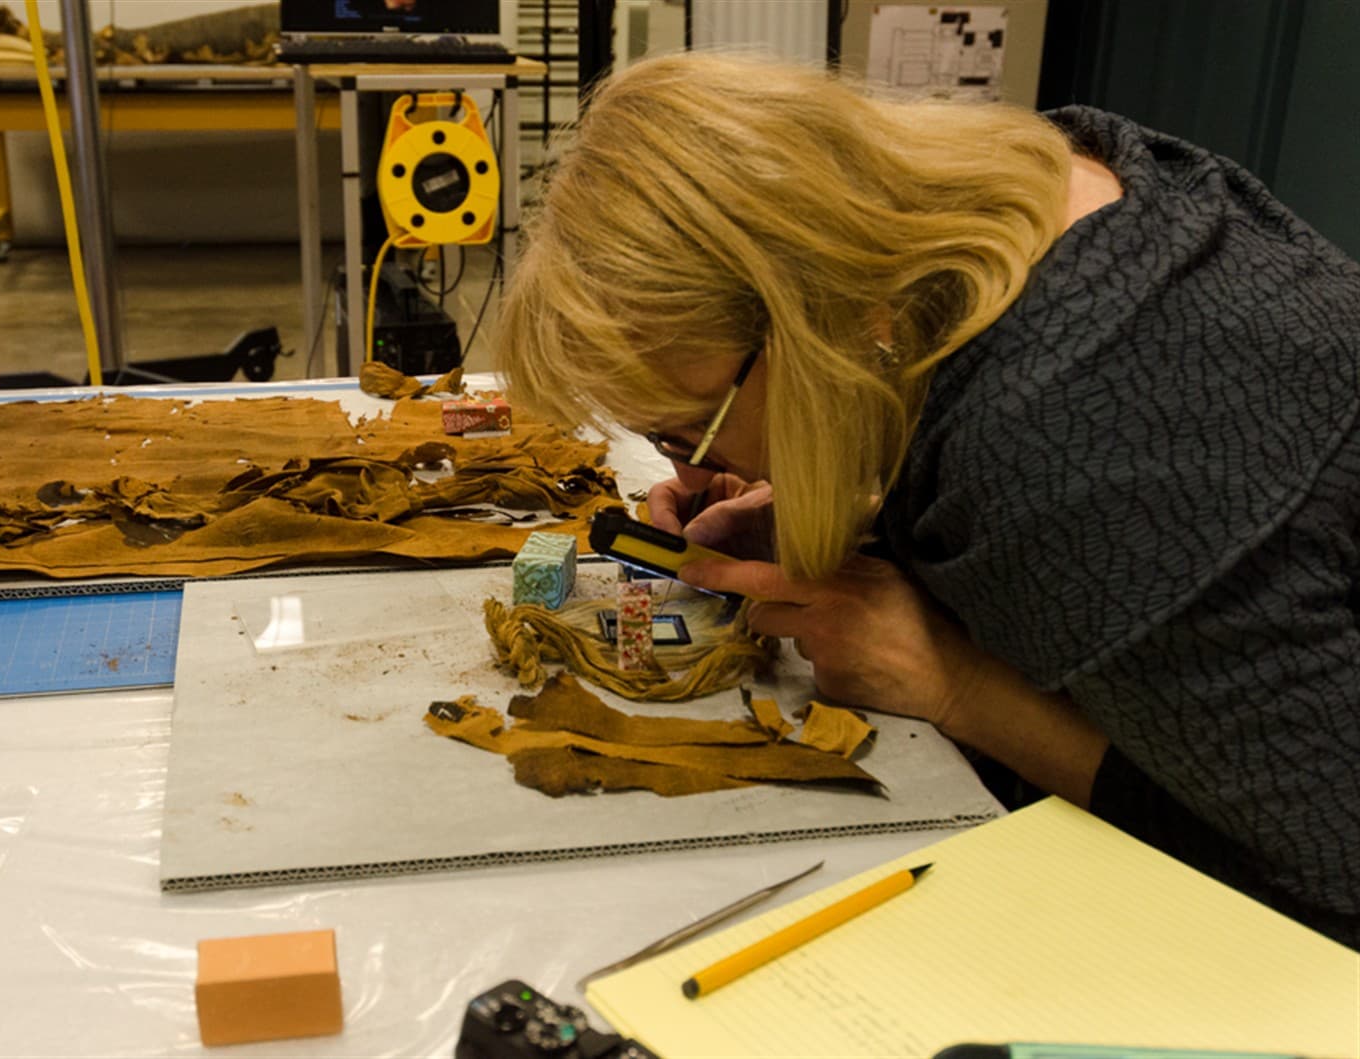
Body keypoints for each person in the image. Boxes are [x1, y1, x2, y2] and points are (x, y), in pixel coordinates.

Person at [493, 52, 1360, 946]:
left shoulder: (1070, 442)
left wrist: (957, 685)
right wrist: (859, 493)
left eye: (687, 435)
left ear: (803, 326)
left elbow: (1324, 899)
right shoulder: (1052, 174)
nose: (692, 468)